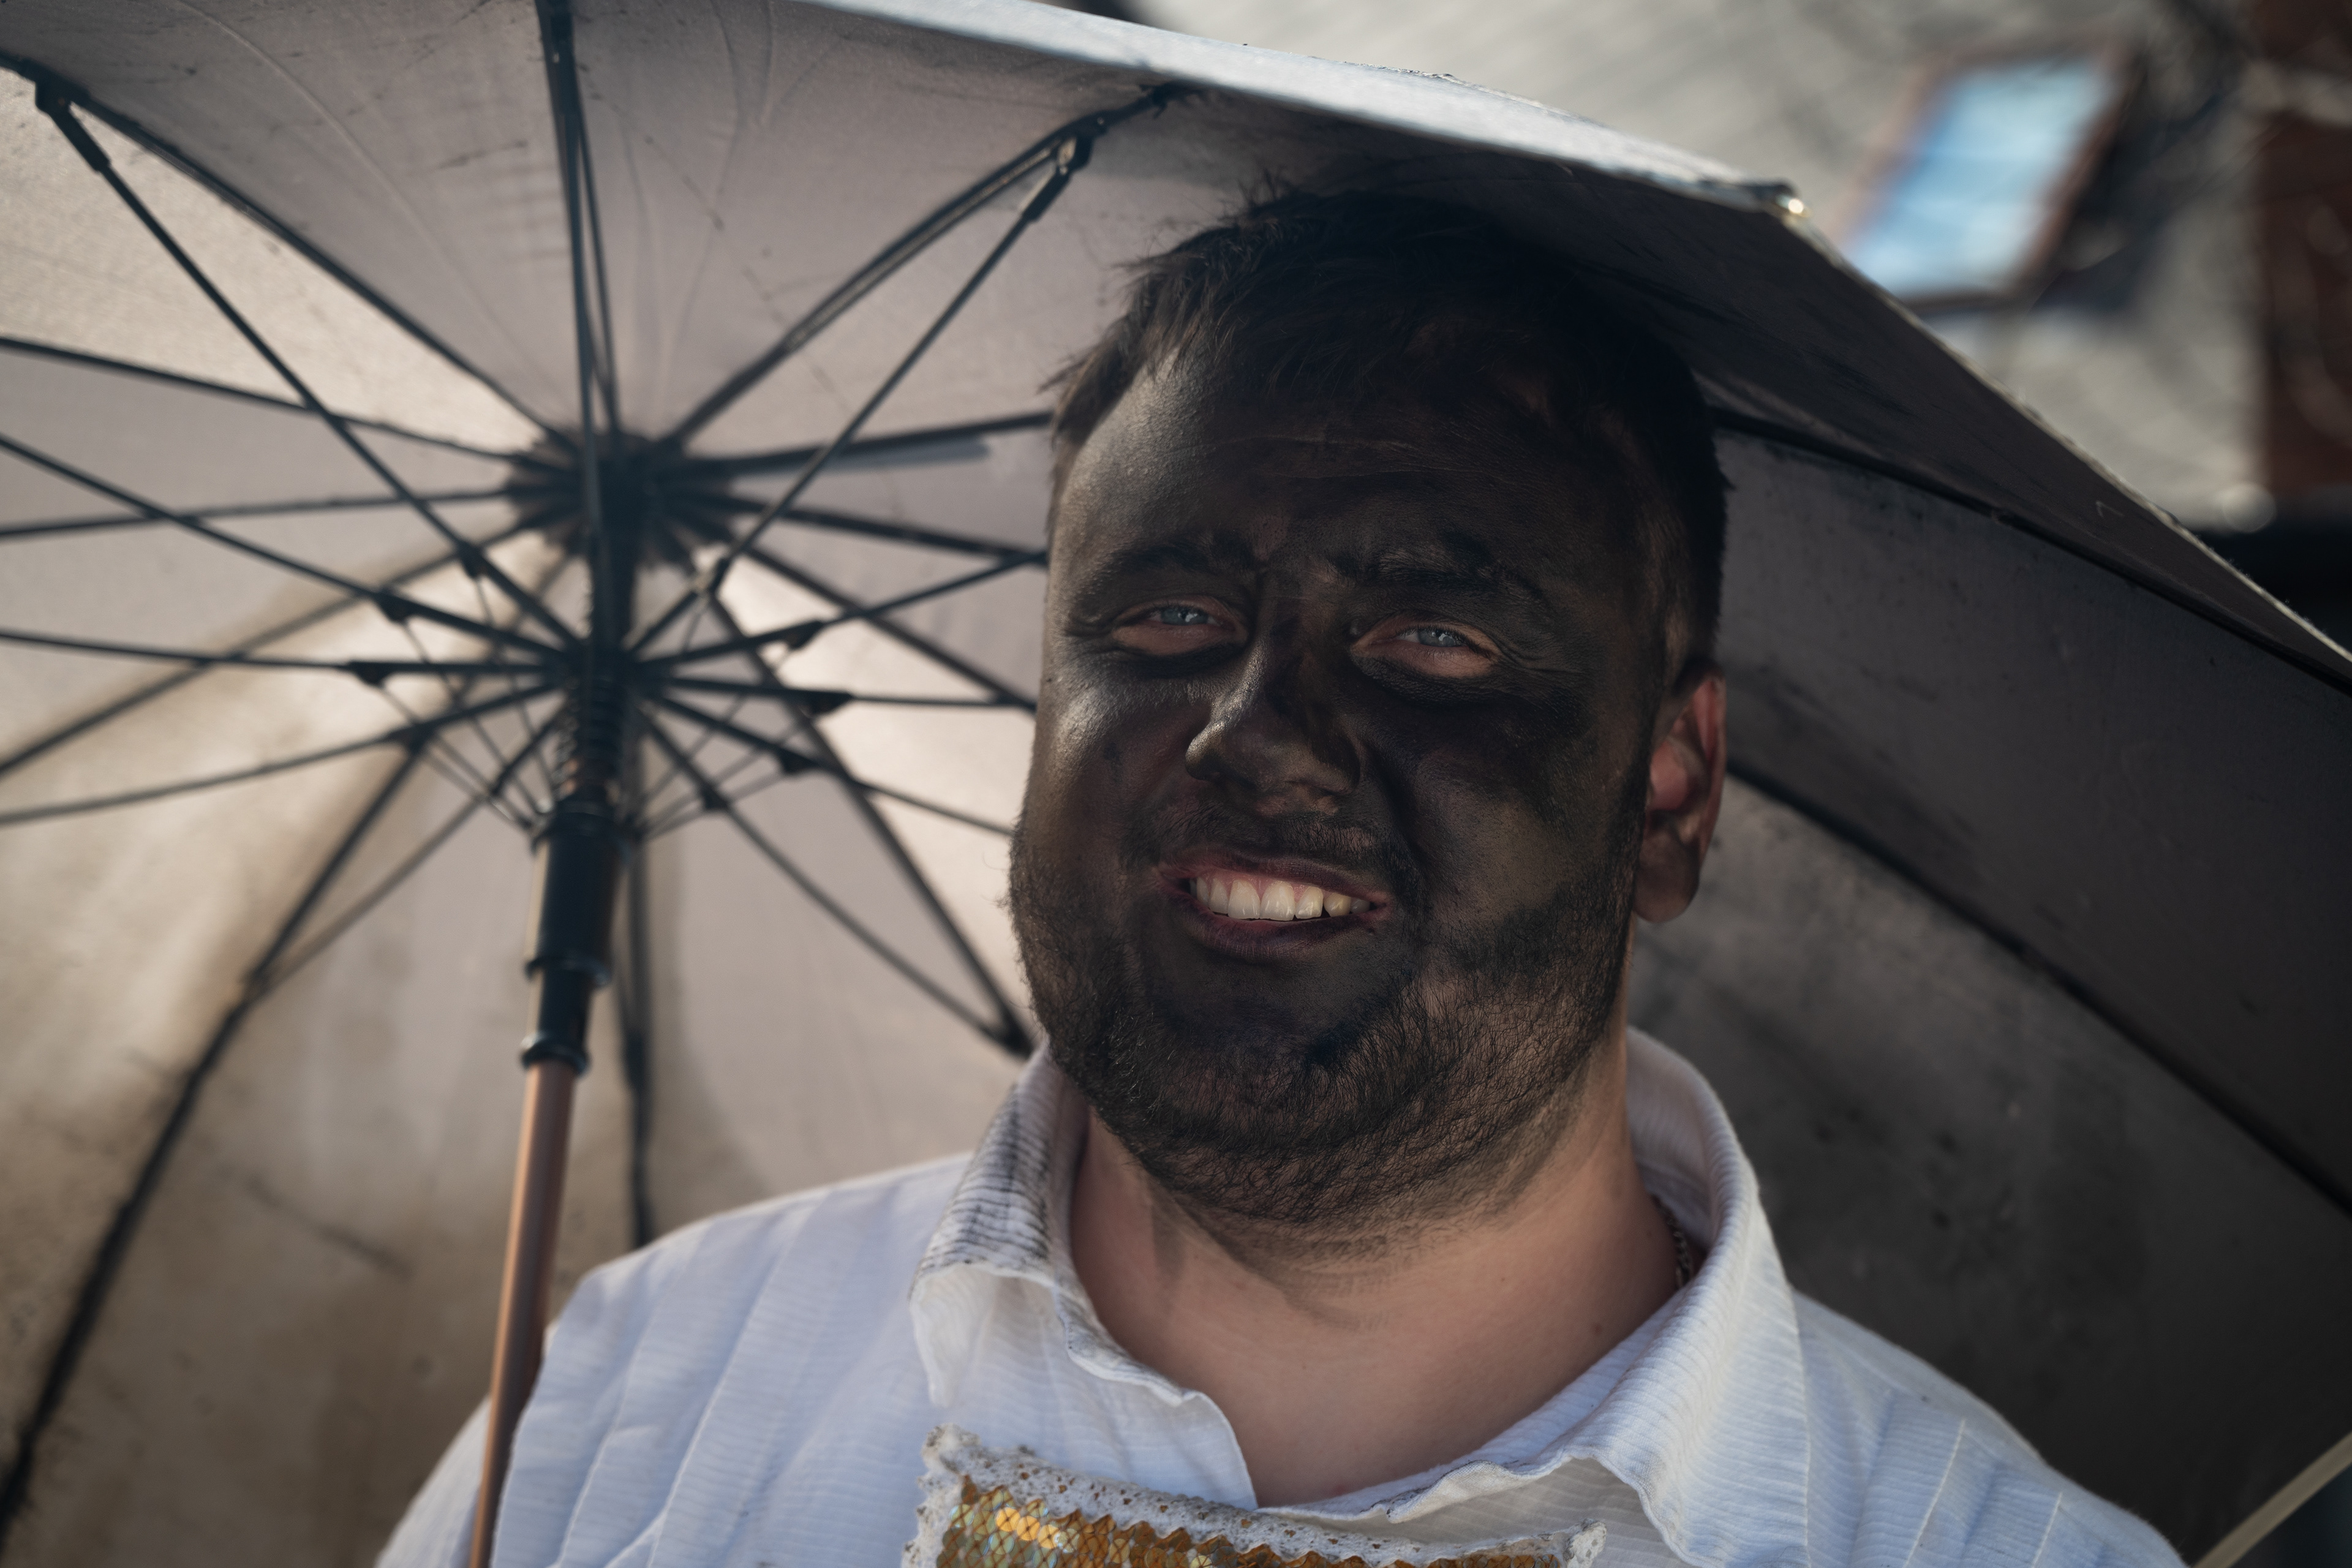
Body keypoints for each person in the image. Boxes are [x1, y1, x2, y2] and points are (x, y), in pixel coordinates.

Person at [381, 193, 2180, 1568]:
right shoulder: (627, 1404)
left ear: (1670, 789)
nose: (1257, 736)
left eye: (1431, 640)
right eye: (1170, 619)